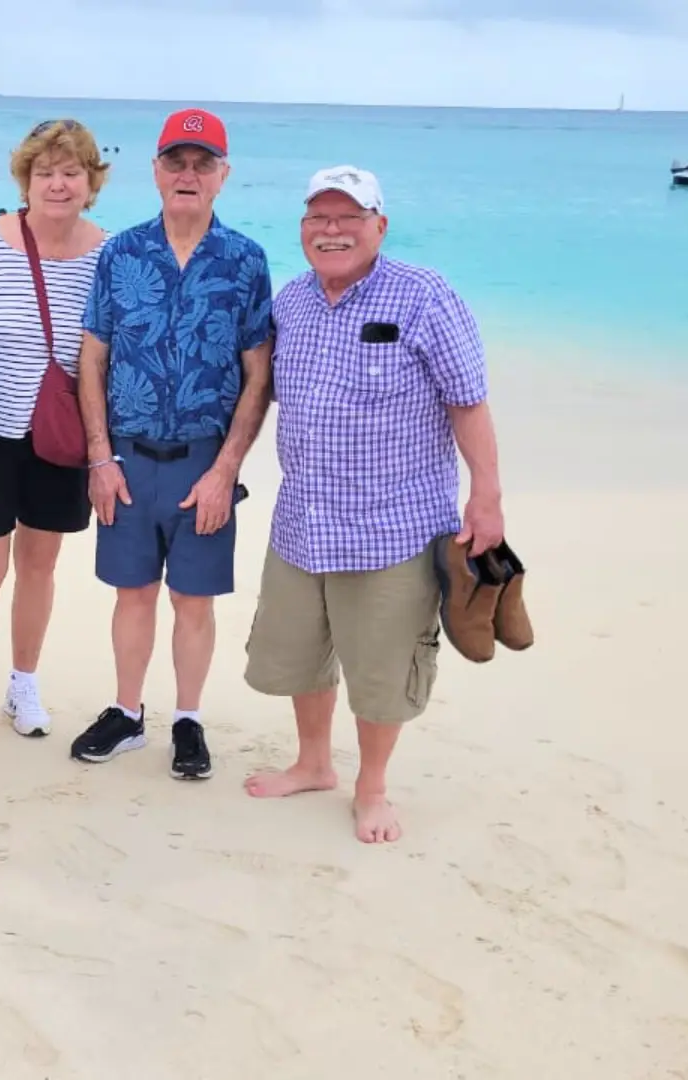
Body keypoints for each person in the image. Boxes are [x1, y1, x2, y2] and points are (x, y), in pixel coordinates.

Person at [242, 165, 506, 845]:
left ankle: (373, 787)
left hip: (395, 525)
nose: (332, 231)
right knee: (303, 652)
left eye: (348, 217)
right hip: (303, 517)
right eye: (318, 219)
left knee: (382, 665)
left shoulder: (423, 296)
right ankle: (313, 763)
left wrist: (487, 497)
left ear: (379, 226)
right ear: (302, 231)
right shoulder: (291, 303)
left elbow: (468, 400)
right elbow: (258, 397)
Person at [72, 107, 274, 781]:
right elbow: (92, 357)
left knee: (193, 599)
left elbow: (258, 374)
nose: (189, 175)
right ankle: (127, 713)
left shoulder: (245, 260)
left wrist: (225, 471)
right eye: (177, 162)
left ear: (223, 176)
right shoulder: (120, 252)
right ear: (156, 171)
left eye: (203, 163)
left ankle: (188, 720)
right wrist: (99, 458)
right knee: (132, 593)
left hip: (201, 463)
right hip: (127, 461)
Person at [0, 119, 108, 738]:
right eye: (44, 173)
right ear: (25, 181)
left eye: (70, 172)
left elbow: (112, 351)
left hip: (62, 435)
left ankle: (23, 684)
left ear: (91, 182)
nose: (57, 184)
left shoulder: (108, 255)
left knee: (40, 564)